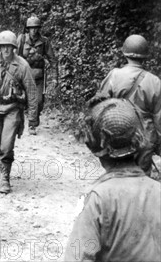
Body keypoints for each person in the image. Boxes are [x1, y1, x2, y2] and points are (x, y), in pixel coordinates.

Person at [63, 97, 160, 262]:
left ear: (96, 149)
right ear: (139, 142)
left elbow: (78, 257)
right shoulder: (157, 191)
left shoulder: (96, 198)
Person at [0, 31, 38, 193]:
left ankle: (5, 177)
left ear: (14, 48)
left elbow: (32, 93)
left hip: (13, 109)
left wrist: (32, 119)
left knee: (6, 145)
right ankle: (4, 156)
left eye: (9, 47)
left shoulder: (22, 66)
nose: (5, 50)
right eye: (2, 46)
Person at [94, 34, 160, 176]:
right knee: (142, 178)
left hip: (118, 134)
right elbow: (159, 119)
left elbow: (100, 108)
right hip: (144, 138)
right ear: (145, 56)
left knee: (116, 175)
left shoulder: (114, 76)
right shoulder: (155, 82)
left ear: (125, 54)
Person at [16, 16, 58, 135]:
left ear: (39, 28)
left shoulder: (44, 41)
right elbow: (15, 57)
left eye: (36, 28)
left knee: (38, 102)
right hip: (24, 75)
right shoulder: (22, 39)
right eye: (31, 28)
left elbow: (53, 60)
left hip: (38, 76)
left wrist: (54, 78)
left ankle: (33, 123)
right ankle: (26, 122)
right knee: (21, 100)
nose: (34, 30)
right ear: (28, 29)